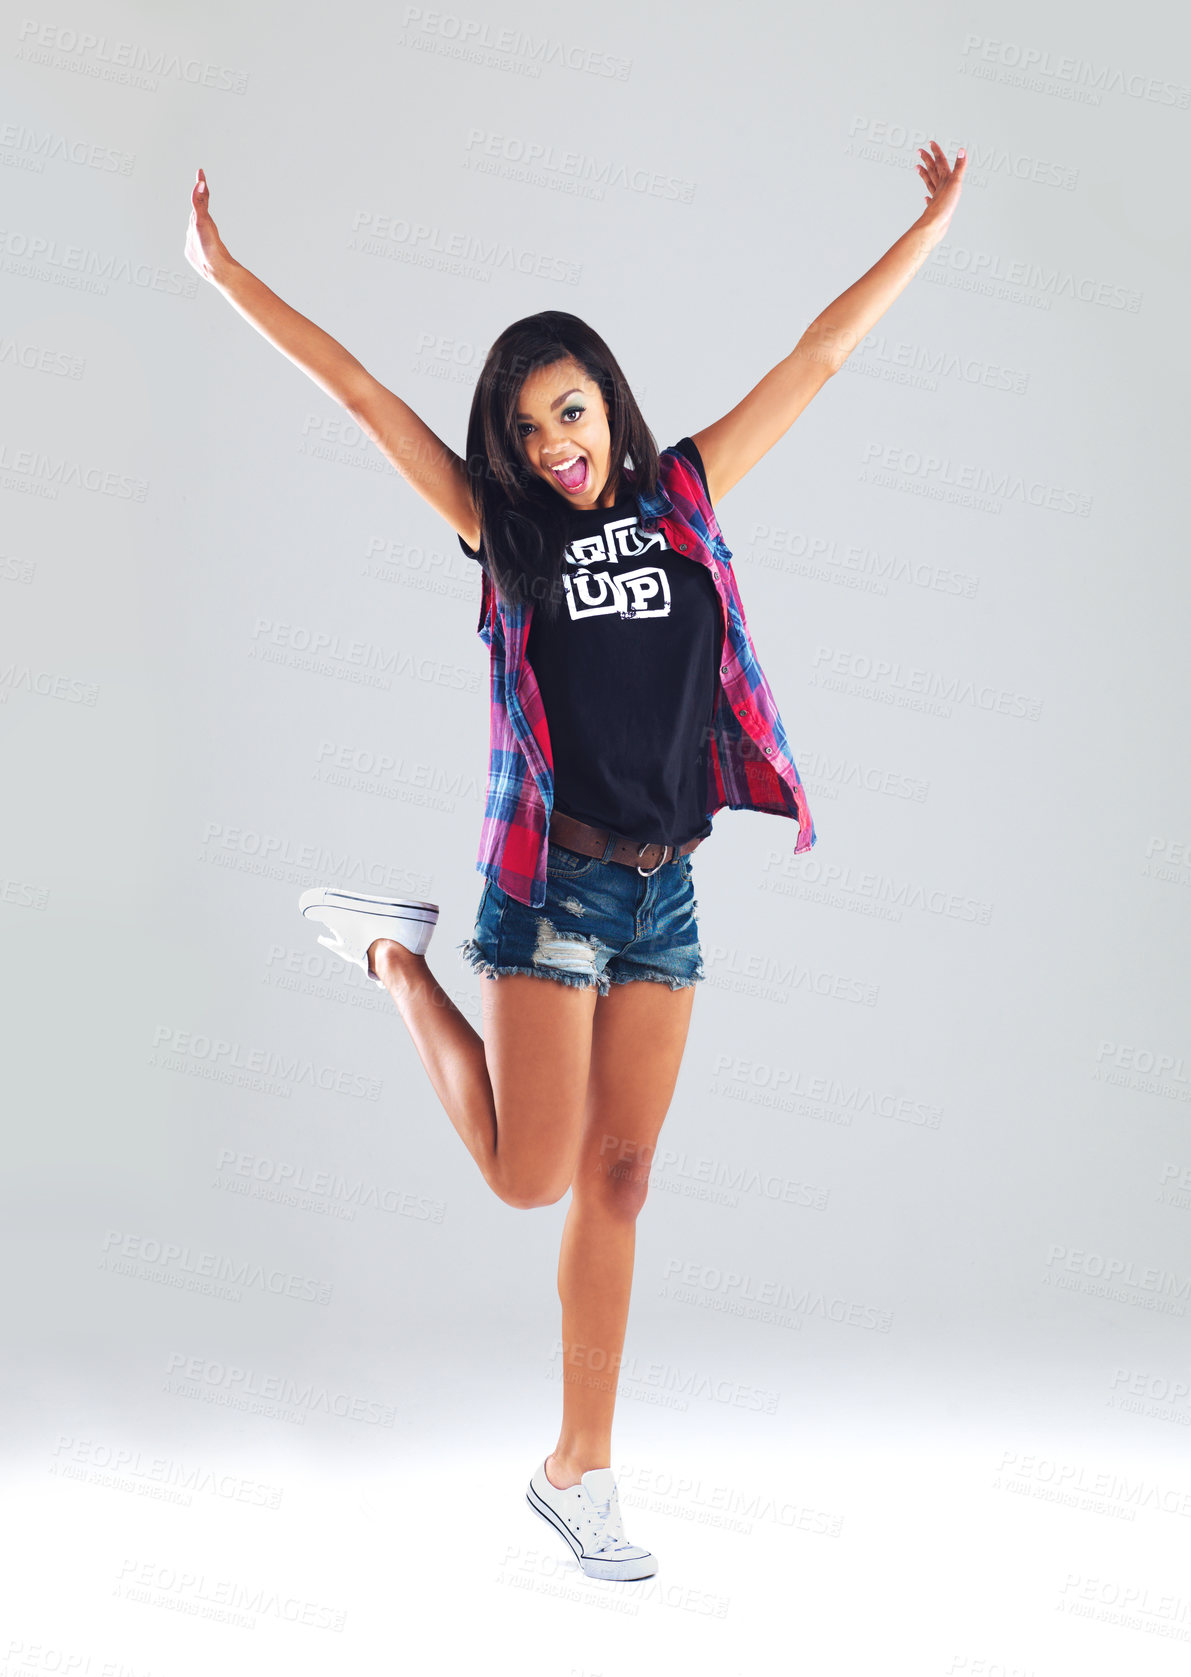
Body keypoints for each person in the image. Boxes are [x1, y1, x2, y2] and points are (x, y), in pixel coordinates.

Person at [184, 140, 967, 1582]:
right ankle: (396, 957)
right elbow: (363, 394)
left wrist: (932, 227)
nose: (557, 441)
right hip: (550, 887)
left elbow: (821, 357)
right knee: (526, 1176)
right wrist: (226, 276)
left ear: (608, 400)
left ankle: (578, 1475)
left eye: (573, 408)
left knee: (620, 1180)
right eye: (530, 425)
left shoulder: (682, 495)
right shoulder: (507, 535)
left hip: (665, 890)